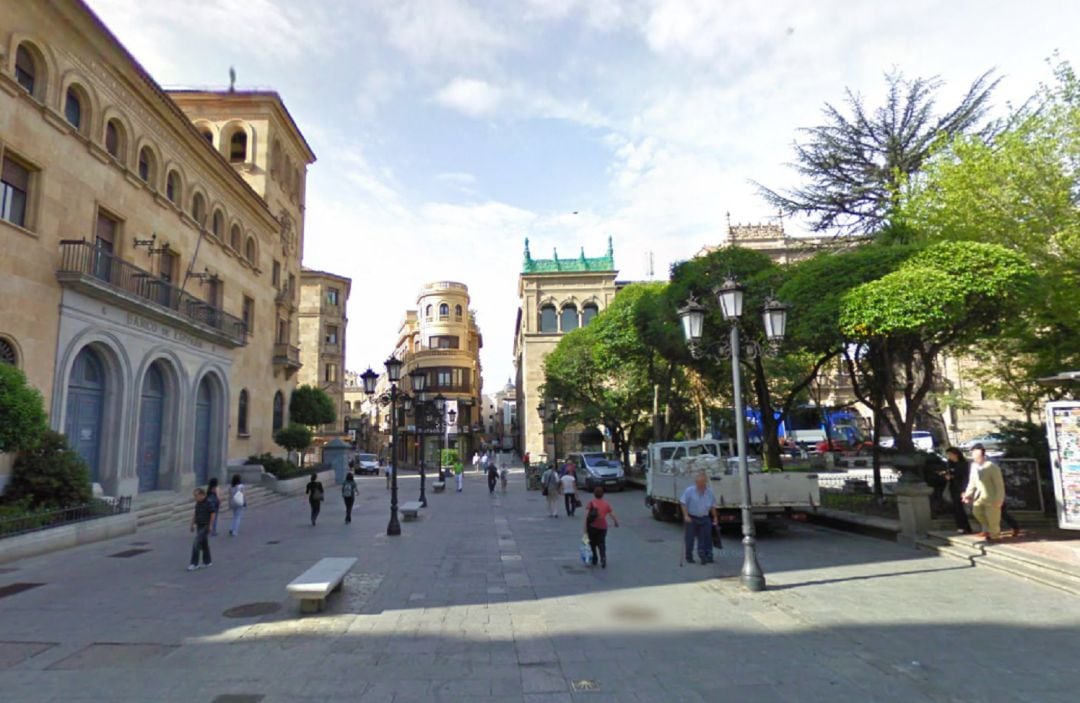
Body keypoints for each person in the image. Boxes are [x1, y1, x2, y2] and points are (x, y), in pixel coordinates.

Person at [963, 444, 1005, 540]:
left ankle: (995, 536)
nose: (974, 455)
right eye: (973, 453)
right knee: (976, 511)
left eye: (976, 452)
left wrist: (999, 499)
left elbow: (999, 484)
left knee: (993, 518)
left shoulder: (991, 467)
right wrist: (967, 494)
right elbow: (972, 482)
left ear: (982, 454)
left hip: (992, 497)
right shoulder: (974, 466)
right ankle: (989, 530)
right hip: (981, 496)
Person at [680, 472, 719, 564]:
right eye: (699, 482)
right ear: (696, 482)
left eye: (703, 482)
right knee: (690, 539)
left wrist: (715, 517)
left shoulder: (709, 492)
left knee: (706, 538)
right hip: (692, 517)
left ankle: (706, 556)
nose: (701, 485)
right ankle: (689, 556)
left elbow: (713, 506)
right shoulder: (689, 491)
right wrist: (686, 516)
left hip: (704, 518)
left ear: (705, 482)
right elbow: (683, 503)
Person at [583, 486, 618, 568]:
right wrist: (616, 522)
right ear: (603, 494)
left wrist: (585, 527)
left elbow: (586, 516)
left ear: (594, 494)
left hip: (592, 526)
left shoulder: (591, 503)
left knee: (592, 543)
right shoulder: (606, 504)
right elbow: (611, 513)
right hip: (603, 526)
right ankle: (603, 557)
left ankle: (595, 558)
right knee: (601, 542)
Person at [943, 447, 973, 534]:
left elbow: (965, 477)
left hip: (960, 488)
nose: (949, 457)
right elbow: (950, 473)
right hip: (953, 487)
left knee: (960, 508)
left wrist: (964, 489)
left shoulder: (963, 464)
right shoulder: (950, 463)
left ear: (955, 454)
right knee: (956, 508)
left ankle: (965, 527)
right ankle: (961, 526)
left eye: (950, 455)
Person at [188, 488, 214, 571]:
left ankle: (194, 563)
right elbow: (195, 513)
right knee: (204, 544)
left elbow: (213, 513)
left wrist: (210, 525)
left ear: (202, 495)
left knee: (196, 542)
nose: (195, 498)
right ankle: (207, 561)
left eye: (196, 496)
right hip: (199, 525)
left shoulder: (208, 502)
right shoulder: (198, 503)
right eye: (194, 496)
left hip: (205, 525)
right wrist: (192, 524)